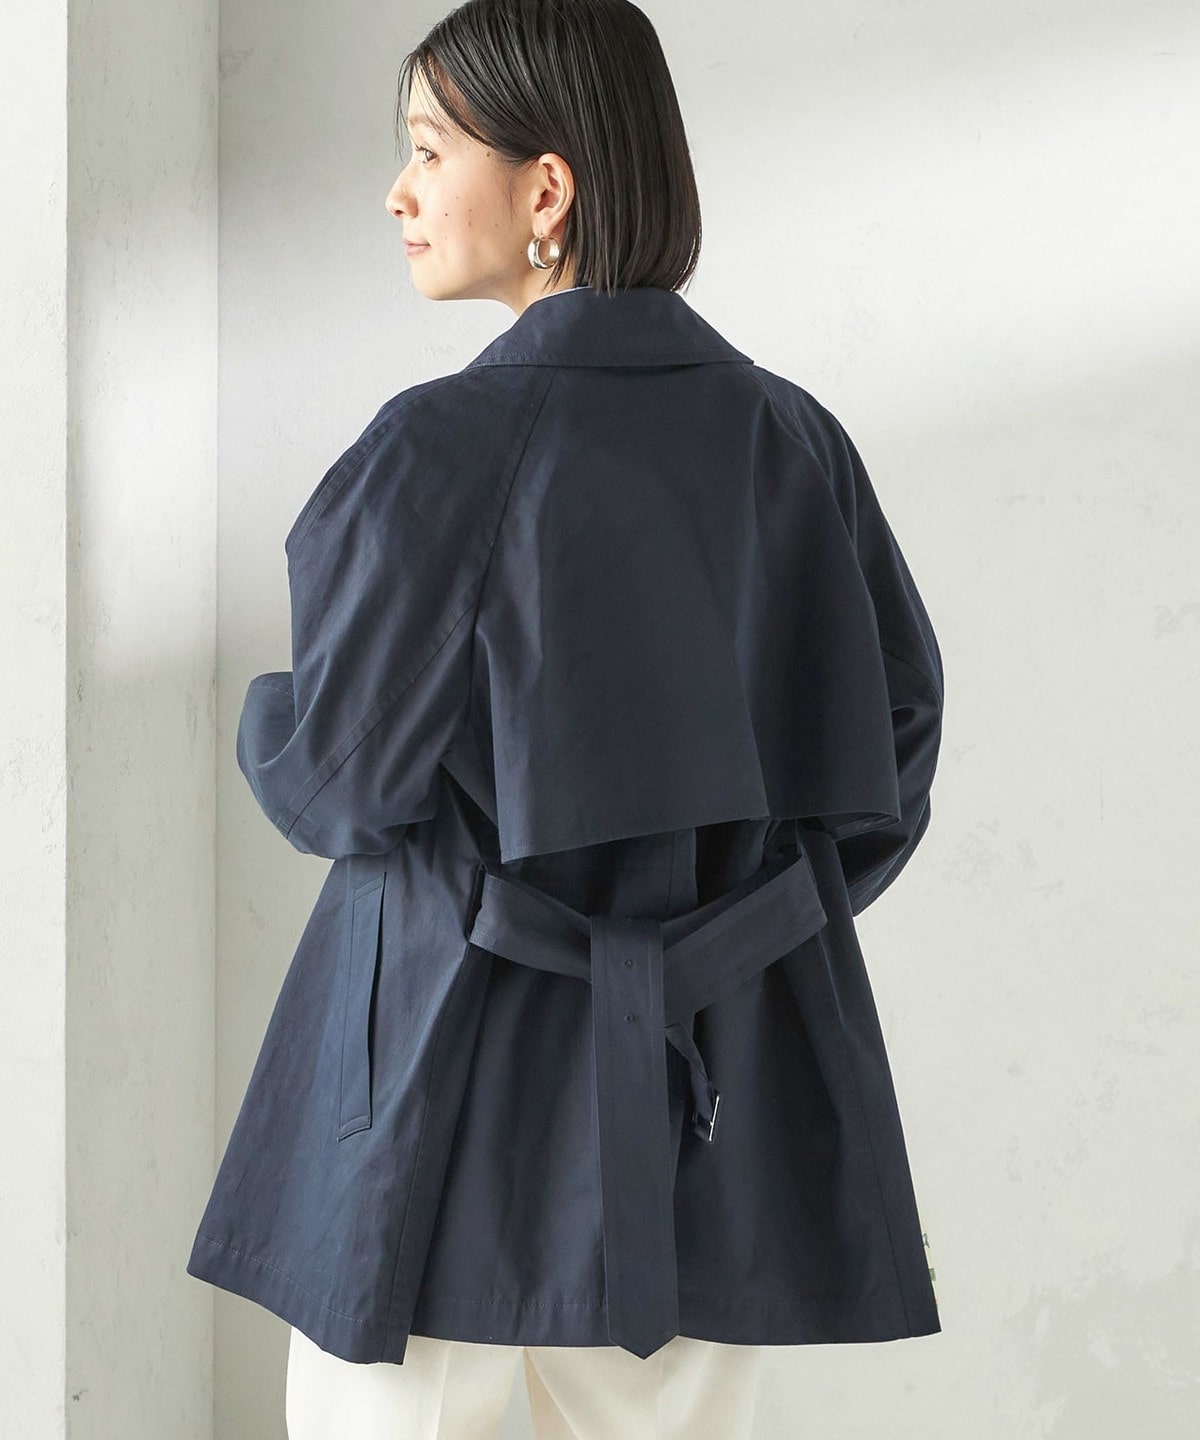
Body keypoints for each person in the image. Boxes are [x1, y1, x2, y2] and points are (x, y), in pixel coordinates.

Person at [186, 1, 946, 1436]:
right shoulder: (794, 444)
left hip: (439, 1118)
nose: (399, 192)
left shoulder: (435, 452)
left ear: (547, 190)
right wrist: (713, 941)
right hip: (706, 1109)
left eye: (429, 149)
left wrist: (271, 711)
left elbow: (337, 785)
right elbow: (888, 763)